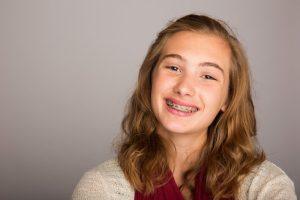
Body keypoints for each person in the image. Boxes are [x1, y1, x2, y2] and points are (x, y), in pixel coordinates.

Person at [72, 14, 297, 200]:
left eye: (207, 75)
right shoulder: (101, 188)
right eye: (174, 68)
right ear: (150, 79)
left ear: (227, 99)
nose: (184, 88)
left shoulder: (268, 187)